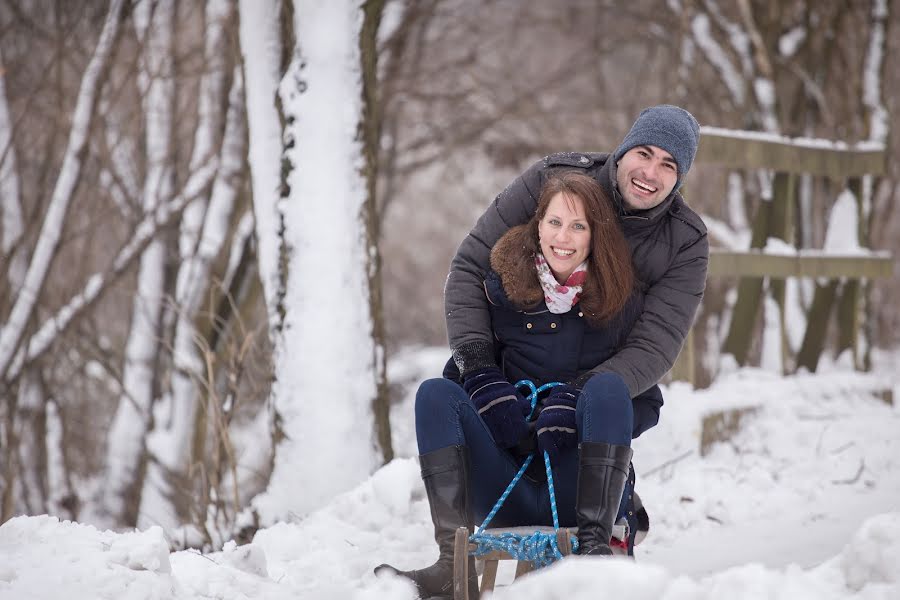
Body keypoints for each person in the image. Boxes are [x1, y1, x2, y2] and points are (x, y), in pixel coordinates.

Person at [376, 171, 668, 599]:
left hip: (577, 488)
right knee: (434, 394)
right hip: (504, 488)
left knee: (608, 388)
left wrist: (578, 408)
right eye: (554, 222)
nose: (562, 237)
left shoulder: (620, 303)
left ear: (594, 236)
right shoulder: (503, 296)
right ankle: (449, 562)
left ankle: (594, 552)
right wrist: (487, 391)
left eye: (578, 225)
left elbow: (647, 405)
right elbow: (452, 396)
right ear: (537, 226)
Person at [446, 104, 708, 402]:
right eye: (644, 154)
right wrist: (480, 370)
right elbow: (469, 266)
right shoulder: (552, 179)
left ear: (678, 180)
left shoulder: (687, 240)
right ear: (623, 152)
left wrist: (578, 398)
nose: (650, 173)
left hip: (598, 388)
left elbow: (656, 344)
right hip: (513, 365)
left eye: (668, 165)